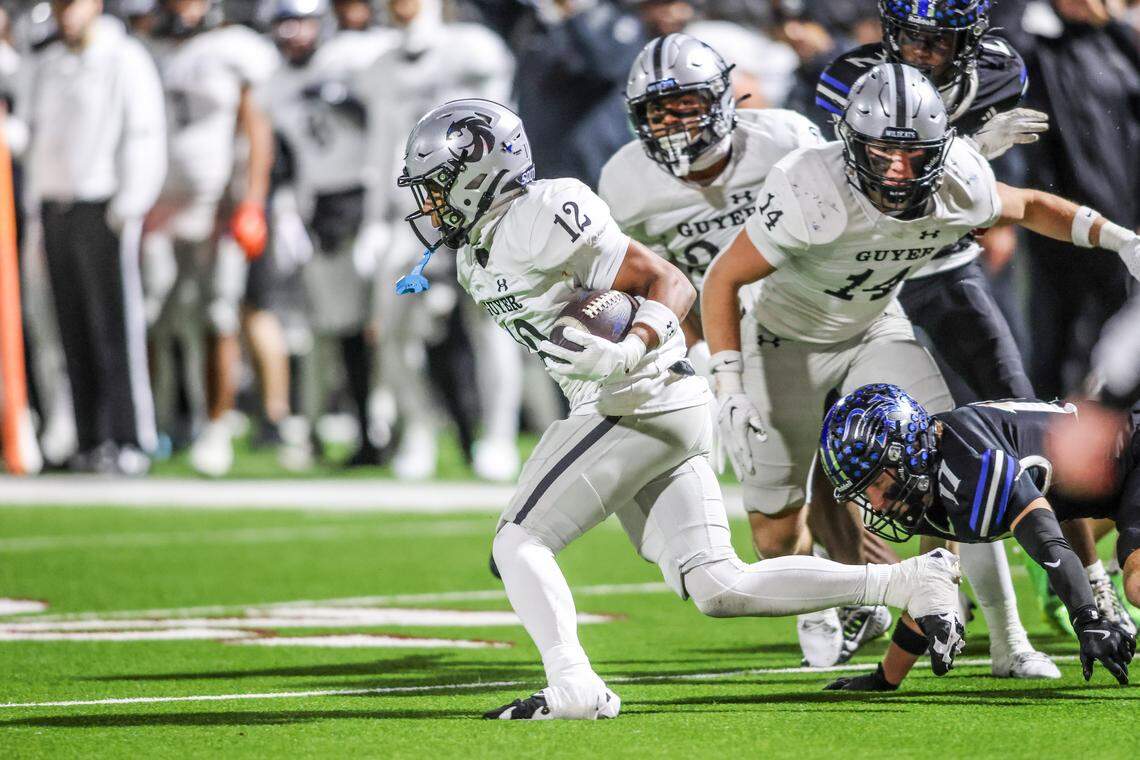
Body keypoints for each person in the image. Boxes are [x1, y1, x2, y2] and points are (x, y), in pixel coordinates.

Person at [397, 97, 968, 720]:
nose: (430, 202)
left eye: (439, 184)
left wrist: (631, 345)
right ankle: (908, 581)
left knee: (519, 541)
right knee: (718, 585)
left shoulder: (542, 211)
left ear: (479, 174)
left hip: (635, 395)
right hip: (642, 400)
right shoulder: (475, 253)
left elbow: (668, 281)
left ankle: (574, 684)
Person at [698, 61, 1140, 679]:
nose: (898, 171)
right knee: (774, 537)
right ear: (851, 144)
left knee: (949, 458)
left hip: (874, 328)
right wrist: (727, 380)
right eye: (882, 153)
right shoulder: (808, 186)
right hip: (781, 341)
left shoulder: (957, 176)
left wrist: (1120, 239)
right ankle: (842, 599)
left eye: (914, 155)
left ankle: (1010, 641)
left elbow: (1030, 206)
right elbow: (722, 278)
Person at [815, 0, 1104, 644]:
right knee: (881, 436)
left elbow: (1009, 186)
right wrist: (967, 149)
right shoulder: (851, 78)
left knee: (1029, 419)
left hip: (945, 265)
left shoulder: (999, 71)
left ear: (969, 42)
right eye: (910, 37)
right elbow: (866, 183)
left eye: (938, 41)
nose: (920, 52)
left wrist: (987, 193)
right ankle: (921, 591)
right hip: (867, 275)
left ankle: (1086, 580)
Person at [598, 34, 891, 667]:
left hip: (818, 315)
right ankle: (845, 593)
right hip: (729, 341)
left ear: (722, 100)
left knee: (876, 452)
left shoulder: (786, 139)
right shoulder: (625, 179)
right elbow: (645, 281)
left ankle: (924, 589)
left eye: (687, 105)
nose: (675, 123)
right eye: (658, 111)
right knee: (778, 509)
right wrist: (698, 354)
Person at [818, 384, 1137, 690]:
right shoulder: (928, 479)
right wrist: (885, 679)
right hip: (1107, 490)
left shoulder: (972, 462)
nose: (875, 503)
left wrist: (1087, 618)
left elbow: (1048, 543)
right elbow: (929, 592)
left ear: (905, 453)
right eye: (865, 491)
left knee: (1136, 585)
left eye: (876, 483)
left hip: (1131, 454)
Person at [357, 0, 521, 480]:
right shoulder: (380, 65)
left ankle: (499, 436)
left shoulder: (473, 48)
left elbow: (502, 132)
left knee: (492, 322)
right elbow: (381, 145)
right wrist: (374, 218)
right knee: (392, 328)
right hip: (414, 214)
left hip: (478, 208)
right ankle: (419, 429)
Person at [23, 0, 165, 474]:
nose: (66, 13)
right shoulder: (48, 64)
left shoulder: (123, 57)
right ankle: (90, 437)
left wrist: (130, 202)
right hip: (55, 207)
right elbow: (35, 135)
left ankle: (129, 437)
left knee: (114, 328)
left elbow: (144, 133)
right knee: (71, 330)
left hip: (103, 205)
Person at [143, 0, 281, 475]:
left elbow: (255, 127)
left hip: (217, 206)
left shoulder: (234, 48)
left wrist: (251, 200)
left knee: (218, 315)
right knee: (153, 317)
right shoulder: (149, 47)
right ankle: (156, 422)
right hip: (158, 206)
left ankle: (216, 425)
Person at [259, 0, 395, 466]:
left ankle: (401, 427)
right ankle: (361, 432)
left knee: (392, 323)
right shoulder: (275, 83)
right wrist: (285, 212)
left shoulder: (356, 58)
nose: (292, 34)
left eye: (300, 22)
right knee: (339, 328)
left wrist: (348, 103)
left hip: (372, 195)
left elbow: (389, 126)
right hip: (320, 207)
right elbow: (282, 157)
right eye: (283, 24)